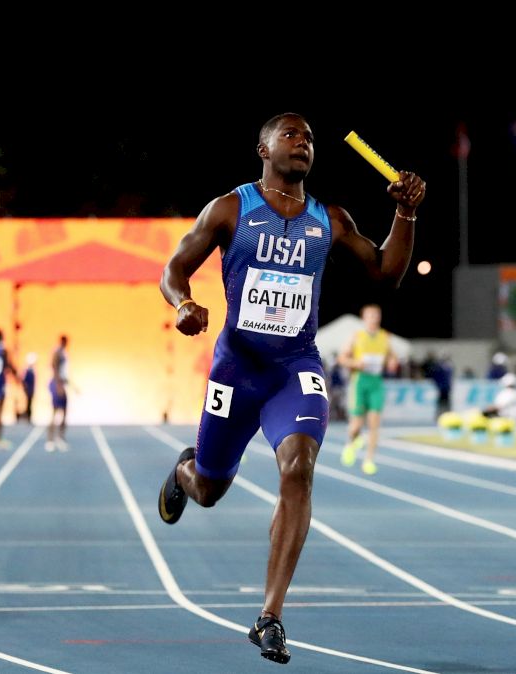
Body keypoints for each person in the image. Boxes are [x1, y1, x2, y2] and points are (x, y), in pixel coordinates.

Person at [156, 112, 424, 664]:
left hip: (294, 369)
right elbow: (174, 268)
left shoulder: (330, 219)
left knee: (298, 467)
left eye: (309, 138)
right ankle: (186, 470)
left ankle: (270, 616)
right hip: (236, 368)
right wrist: (183, 304)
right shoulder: (231, 208)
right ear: (263, 147)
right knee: (209, 490)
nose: (302, 143)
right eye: (290, 135)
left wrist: (404, 213)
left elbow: (386, 272)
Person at [339, 304, 399, 475]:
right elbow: (342, 358)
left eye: (376, 315)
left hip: (376, 383)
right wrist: (355, 363)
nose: (373, 318)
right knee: (356, 424)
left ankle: (369, 459)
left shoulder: (385, 336)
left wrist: (392, 363)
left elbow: (392, 358)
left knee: (374, 424)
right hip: (359, 382)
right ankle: (351, 442)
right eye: (370, 315)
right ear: (364, 318)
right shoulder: (356, 336)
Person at [46, 335, 71, 452]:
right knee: (55, 412)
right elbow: (55, 368)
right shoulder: (57, 353)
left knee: (64, 413)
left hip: (61, 383)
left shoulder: (64, 353)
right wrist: (58, 385)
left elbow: (63, 372)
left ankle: (60, 438)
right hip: (57, 385)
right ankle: (50, 440)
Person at [20, 353, 37, 424]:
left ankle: (28, 417)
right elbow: (24, 380)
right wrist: (25, 388)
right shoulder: (28, 371)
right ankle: (26, 417)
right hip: (28, 390)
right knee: (28, 404)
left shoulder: (31, 370)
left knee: (29, 404)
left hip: (30, 390)